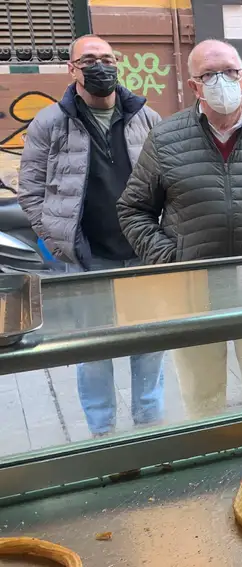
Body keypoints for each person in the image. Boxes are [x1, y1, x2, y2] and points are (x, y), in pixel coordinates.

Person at [118, 39, 242, 418]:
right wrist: (172, 259)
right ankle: (210, 463)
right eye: (209, 74)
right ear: (194, 85)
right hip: (192, 287)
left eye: (229, 72)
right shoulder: (166, 138)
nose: (220, 80)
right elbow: (133, 209)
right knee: (201, 393)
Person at [17, 34, 165, 438]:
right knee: (94, 354)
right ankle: (104, 437)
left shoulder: (146, 117)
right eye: (89, 59)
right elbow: (29, 188)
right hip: (87, 260)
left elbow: (168, 181)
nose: (100, 66)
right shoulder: (50, 122)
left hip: (142, 256)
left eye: (106, 58)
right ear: (72, 68)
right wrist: (52, 235)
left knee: (150, 347)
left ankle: (149, 431)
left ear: (117, 64)